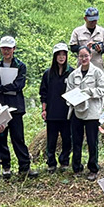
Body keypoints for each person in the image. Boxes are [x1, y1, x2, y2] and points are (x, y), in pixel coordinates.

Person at [0, 36, 31, 180]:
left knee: (18, 137)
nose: (6, 51)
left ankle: (24, 166)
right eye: (4, 48)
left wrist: (1, 88)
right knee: (1, 137)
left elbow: (19, 85)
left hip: (16, 106)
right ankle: (5, 167)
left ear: (14, 49)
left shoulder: (20, 66)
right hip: (1, 105)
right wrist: (1, 89)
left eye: (9, 48)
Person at [68, 45, 104, 176]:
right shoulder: (74, 75)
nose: (83, 58)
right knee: (77, 141)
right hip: (77, 111)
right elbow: (68, 91)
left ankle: (93, 168)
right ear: (78, 57)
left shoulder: (97, 72)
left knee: (92, 141)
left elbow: (102, 89)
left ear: (90, 56)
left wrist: (89, 92)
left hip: (92, 112)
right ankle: (77, 168)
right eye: (81, 56)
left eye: (86, 56)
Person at [39, 42, 74, 170]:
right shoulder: (48, 74)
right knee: (51, 140)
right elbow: (43, 93)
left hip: (66, 112)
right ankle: (51, 163)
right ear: (54, 56)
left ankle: (64, 161)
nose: (61, 57)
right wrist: (44, 109)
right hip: (52, 111)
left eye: (63, 54)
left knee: (67, 138)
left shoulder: (72, 72)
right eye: (58, 54)